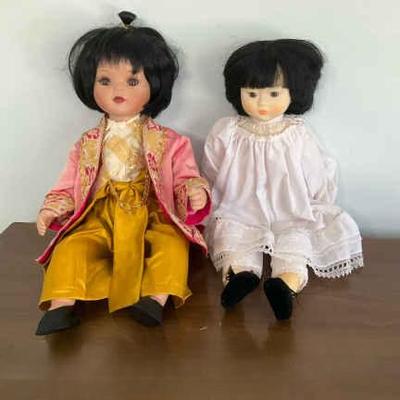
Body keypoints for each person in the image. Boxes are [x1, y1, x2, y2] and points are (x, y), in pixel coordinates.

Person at [35, 11, 210, 335]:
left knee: (171, 246)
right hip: (100, 212)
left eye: (132, 81)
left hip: (153, 210)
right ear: (89, 84)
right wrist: (54, 207)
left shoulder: (170, 141)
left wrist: (193, 192)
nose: (118, 89)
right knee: (72, 248)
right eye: (105, 81)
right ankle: (62, 304)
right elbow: (69, 182)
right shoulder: (87, 143)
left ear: (154, 84)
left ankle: (154, 299)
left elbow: (185, 175)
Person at [202, 39, 363, 320]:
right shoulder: (226, 131)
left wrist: (317, 201)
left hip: (292, 211)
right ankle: (240, 277)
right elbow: (212, 168)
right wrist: (210, 196)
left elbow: (316, 171)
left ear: (294, 93)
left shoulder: (297, 133)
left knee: (295, 243)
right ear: (238, 91)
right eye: (252, 93)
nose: (262, 103)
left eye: (274, 93)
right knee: (233, 240)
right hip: (239, 209)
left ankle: (285, 284)